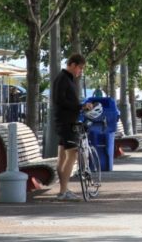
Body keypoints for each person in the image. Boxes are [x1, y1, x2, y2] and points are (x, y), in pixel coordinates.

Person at [52, 53, 93, 201]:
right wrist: (80, 106)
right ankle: (63, 191)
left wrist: (79, 106)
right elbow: (60, 100)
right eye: (80, 68)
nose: (80, 72)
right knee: (73, 154)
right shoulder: (63, 79)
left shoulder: (65, 79)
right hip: (66, 123)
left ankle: (63, 190)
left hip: (65, 121)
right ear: (73, 65)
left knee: (62, 157)